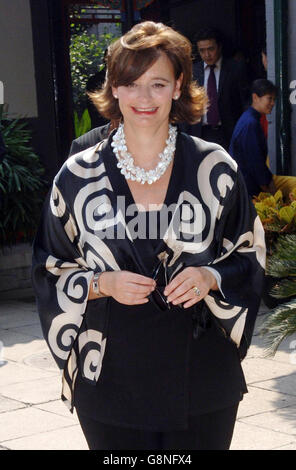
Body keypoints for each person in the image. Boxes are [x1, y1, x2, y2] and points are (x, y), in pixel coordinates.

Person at [32, 21, 265, 451]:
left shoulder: (216, 167)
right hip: (111, 375)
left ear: (178, 87)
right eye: (131, 83)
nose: (144, 98)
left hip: (203, 375)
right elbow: (50, 267)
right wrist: (102, 284)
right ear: (113, 88)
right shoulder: (78, 176)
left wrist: (209, 277)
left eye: (157, 84)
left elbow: (249, 254)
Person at [180, 28, 250, 150]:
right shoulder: (192, 72)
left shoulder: (235, 69)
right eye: (202, 51)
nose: (207, 55)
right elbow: (186, 103)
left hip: (228, 132)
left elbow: (245, 101)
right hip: (200, 132)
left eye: (211, 49)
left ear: (219, 47)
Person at [229, 79, 277, 197]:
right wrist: (270, 191)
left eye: (274, 99)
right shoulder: (251, 123)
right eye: (269, 98)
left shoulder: (249, 118)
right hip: (248, 190)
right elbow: (255, 162)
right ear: (255, 97)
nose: (272, 103)